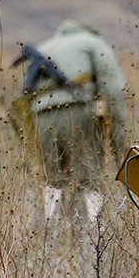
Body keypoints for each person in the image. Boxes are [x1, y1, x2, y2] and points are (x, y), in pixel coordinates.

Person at [14, 20, 127, 220]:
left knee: (49, 181)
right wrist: (117, 139)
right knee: (89, 180)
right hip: (80, 111)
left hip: (40, 115)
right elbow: (112, 88)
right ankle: (91, 241)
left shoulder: (45, 45)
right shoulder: (94, 42)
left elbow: (23, 94)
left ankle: (44, 239)